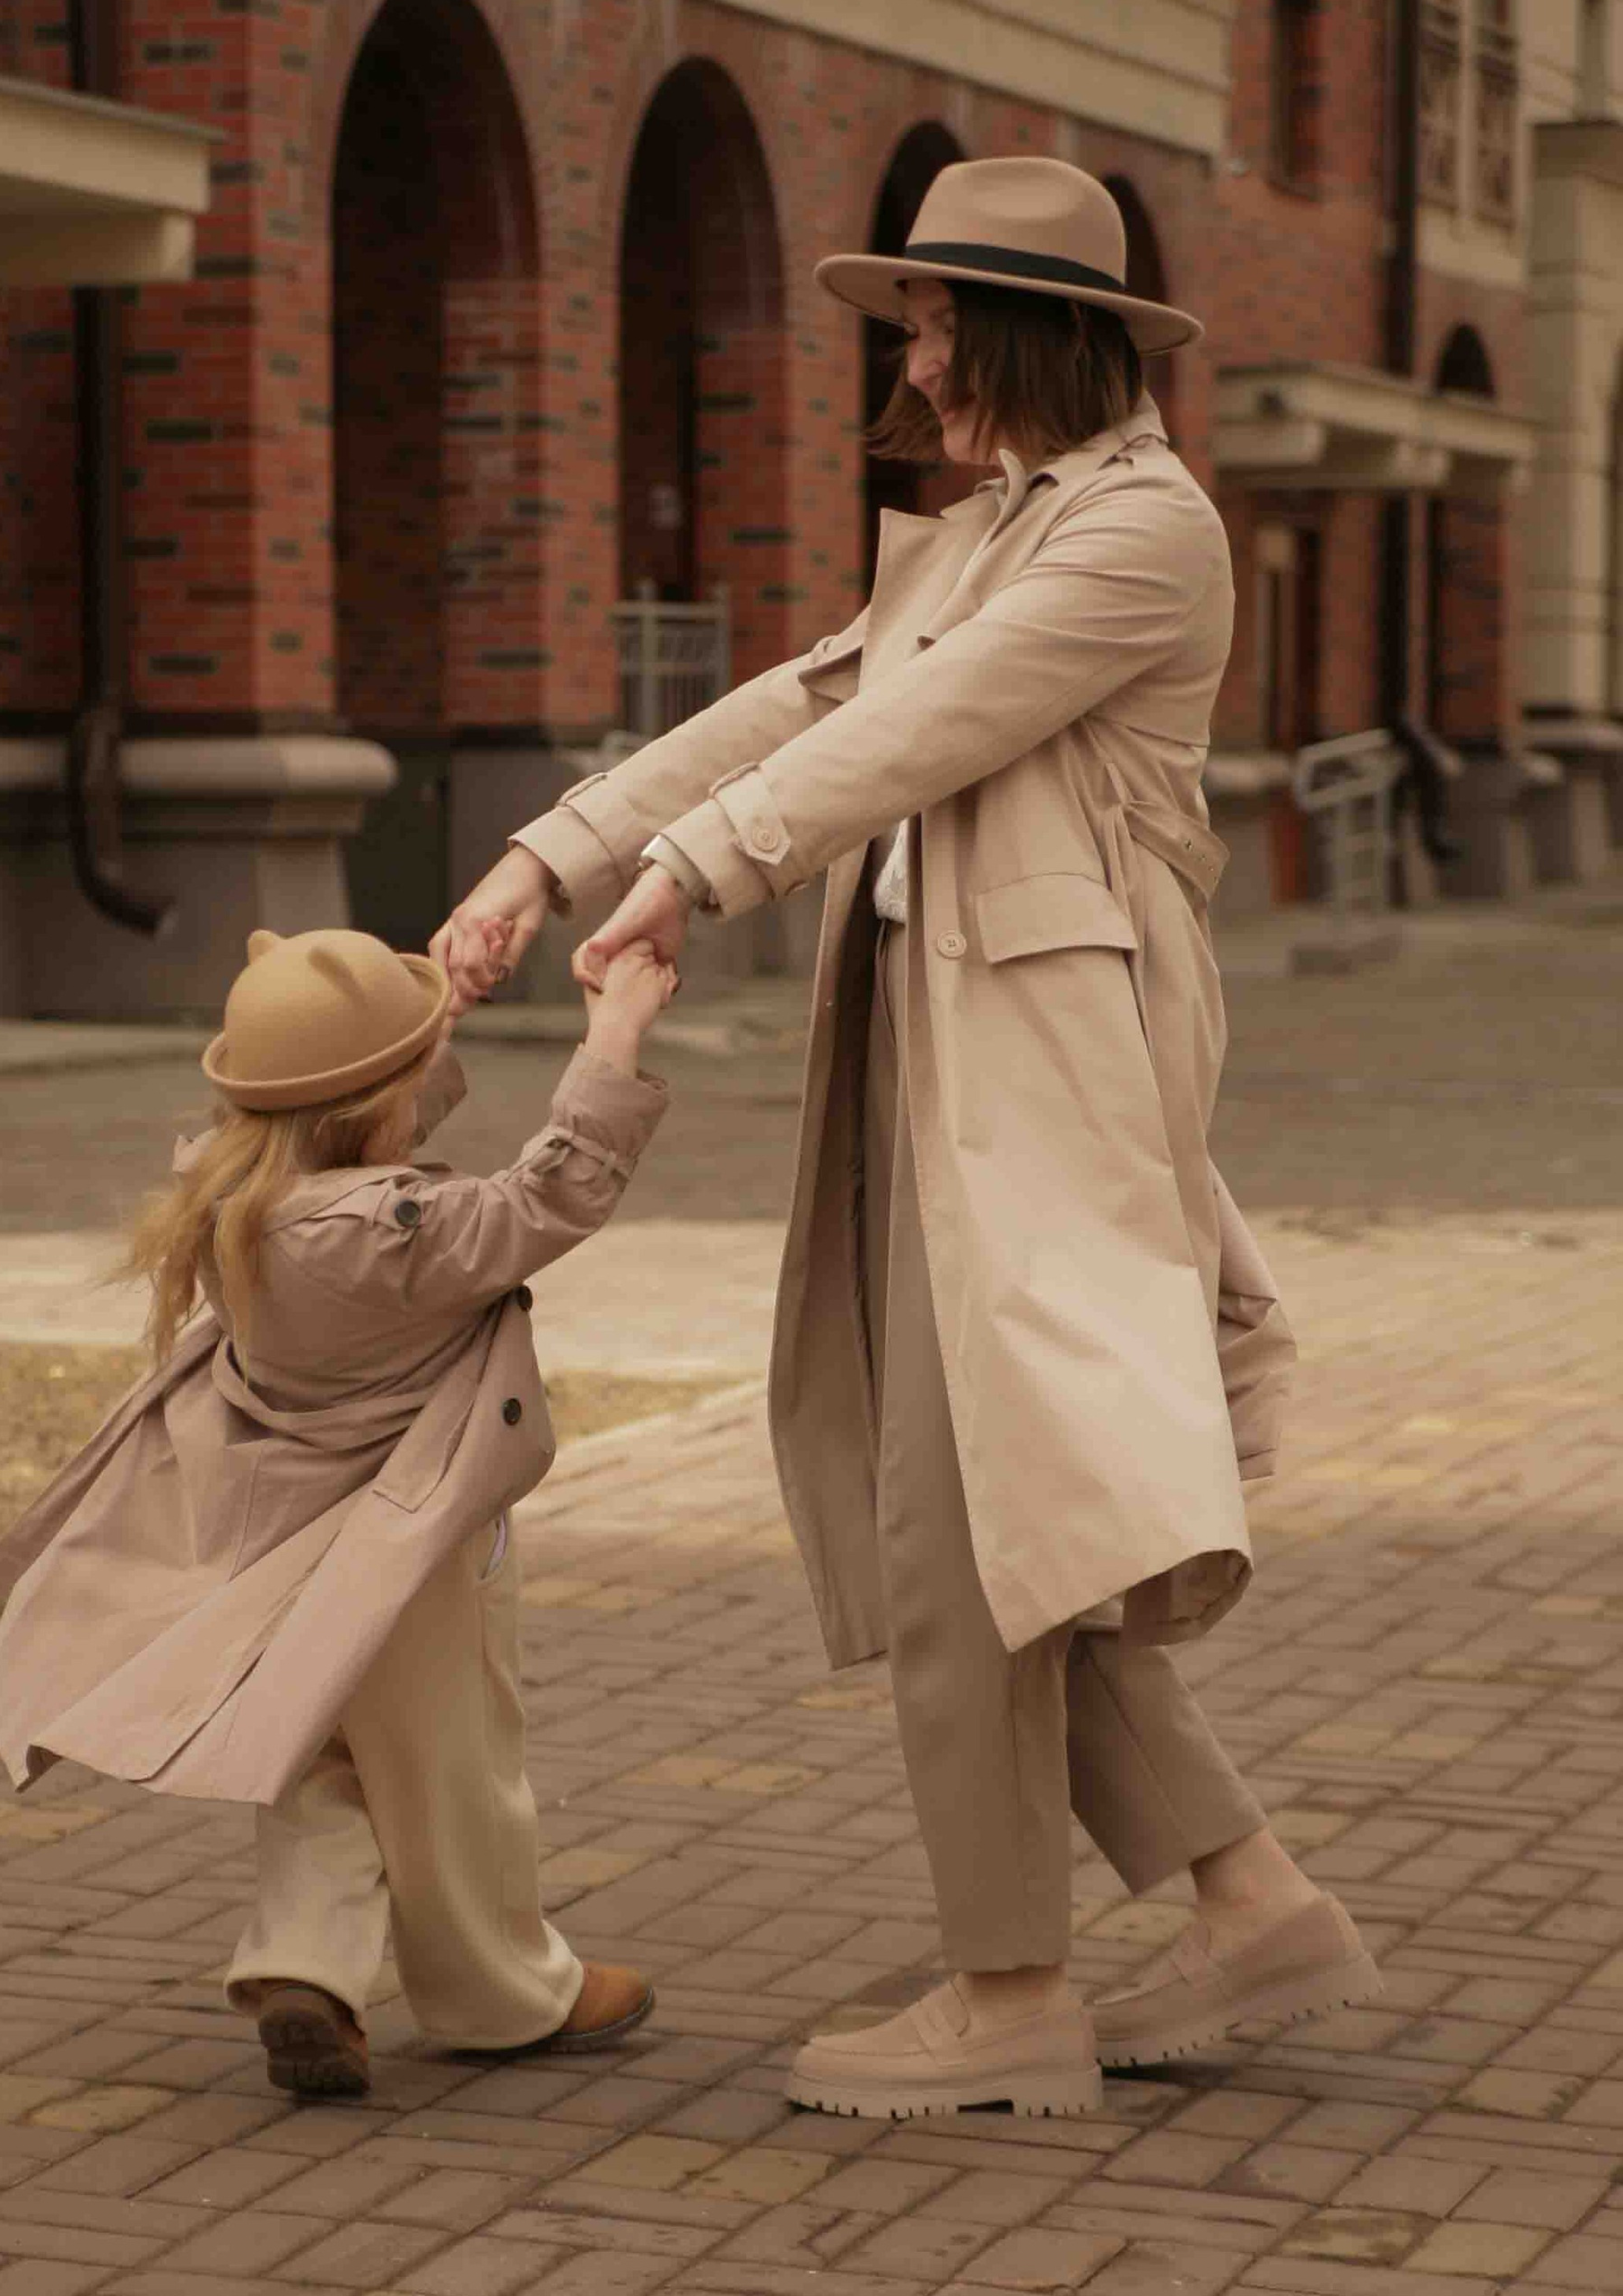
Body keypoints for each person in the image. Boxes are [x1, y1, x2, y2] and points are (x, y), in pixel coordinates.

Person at [433, 157, 1382, 2120]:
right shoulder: (983, 533)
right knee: (1015, 1524)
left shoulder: (1140, 537)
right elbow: (802, 694)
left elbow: (903, 740)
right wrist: (555, 848)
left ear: (1024, 333)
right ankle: (1248, 1900)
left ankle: (1006, 1987)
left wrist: (686, 875)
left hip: (1042, 1093)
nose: (917, 360)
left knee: (961, 1544)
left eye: (939, 326)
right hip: (946, 1072)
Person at [0, 924, 680, 2100]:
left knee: (325, 1762)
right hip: (413, 1549)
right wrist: (613, 1035)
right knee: (455, 1778)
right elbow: (556, 1189)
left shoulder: (231, 1199)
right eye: (415, 1070)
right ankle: (508, 1996)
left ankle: (304, 1967)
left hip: (287, 1546)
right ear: (378, 1106)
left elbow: (366, 1139)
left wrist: (419, 1028)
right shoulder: (397, 1235)